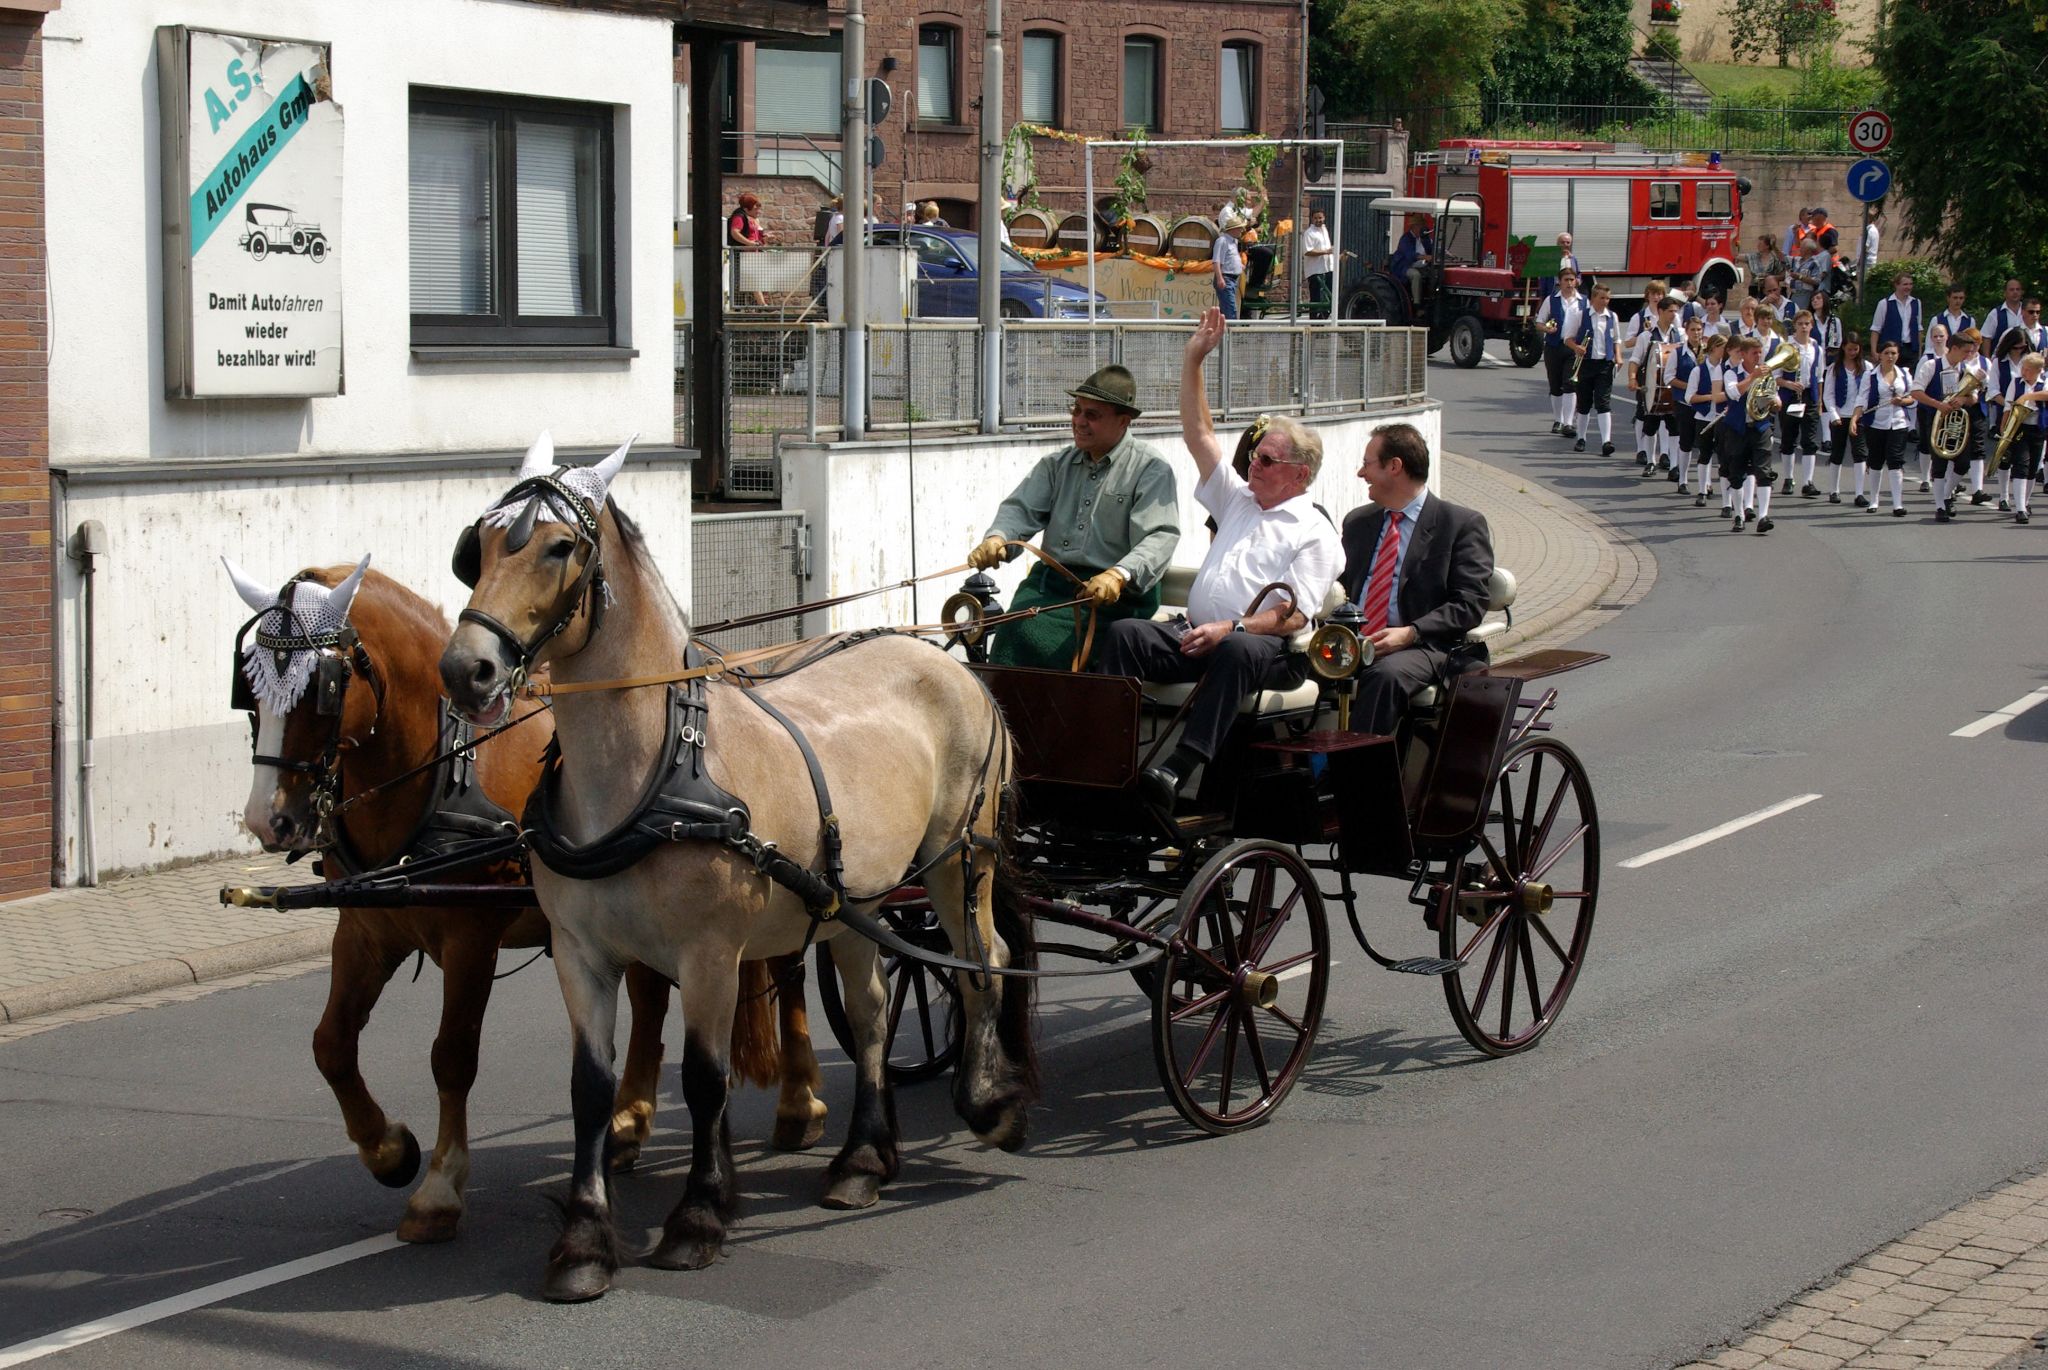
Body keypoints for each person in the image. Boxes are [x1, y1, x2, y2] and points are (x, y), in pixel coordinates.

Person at [1096, 309, 1341, 812]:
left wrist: (1231, 626)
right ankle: (1108, 756)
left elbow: (1292, 615)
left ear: (1299, 474)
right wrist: (1193, 360)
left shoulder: (1315, 531)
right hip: (1197, 632)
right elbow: (1199, 435)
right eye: (1255, 455)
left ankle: (1179, 767)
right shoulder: (1239, 498)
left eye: (1268, 460)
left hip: (1267, 653)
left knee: (1237, 650)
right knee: (1126, 634)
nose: (1254, 462)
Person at [966, 366, 1181, 670]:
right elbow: (1020, 509)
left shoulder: (1151, 469)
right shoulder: (1056, 465)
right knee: (1012, 628)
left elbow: (1160, 536)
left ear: (1123, 421)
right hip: (1050, 587)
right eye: (1076, 410)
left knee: (1029, 634)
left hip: (1113, 601)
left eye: (1092, 415)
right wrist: (998, 537)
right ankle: (1008, 716)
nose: (1079, 421)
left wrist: (1119, 575)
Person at [1334, 425, 1496, 736]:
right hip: (1357, 643)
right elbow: (1341, 590)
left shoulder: (1459, 524)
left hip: (1429, 647)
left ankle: (1353, 775)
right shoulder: (1358, 523)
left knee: (1384, 676)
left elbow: (1470, 604)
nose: (1360, 473)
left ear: (1394, 467)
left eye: (1367, 464)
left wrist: (1410, 633)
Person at [1912, 328, 1991, 521]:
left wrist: (1964, 400)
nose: (1968, 355)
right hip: (1936, 418)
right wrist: (1939, 404)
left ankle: (1947, 495)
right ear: (1954, 348)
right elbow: (1916, 391)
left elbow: (1974, 397)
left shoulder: (1966, 370)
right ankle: (1940, 506)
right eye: (1965, 351)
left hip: (1956, 421)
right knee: (1939, 463)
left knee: (1963, 462)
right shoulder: (1932, 365)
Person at [1714, 334, 1779, 533]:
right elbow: (1734, 394)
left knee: (1763, 471)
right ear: (1743, 354)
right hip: (1737, 428)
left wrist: (1775, 402)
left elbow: (1775, 399)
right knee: (1736, 473)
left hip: (1760, 427)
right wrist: (1752, 377)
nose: (1758, 357)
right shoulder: (1731, 373)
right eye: (1754, 353)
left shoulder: (1767, 374)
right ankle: (1739, 515)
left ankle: (1763, 516)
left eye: (1760, 353)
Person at [1850, 340, 1915, 516]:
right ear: (1879, 355)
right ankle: (1874, 500)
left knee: (1895, 461)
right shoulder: (1870, 375)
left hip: (1899, 422)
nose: (1890, 356)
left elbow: (1913, 398)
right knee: (1875, 461)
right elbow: (1861, 399)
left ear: (1898, 355)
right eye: (1886, 353)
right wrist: (1854, 418)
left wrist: (1902, 401)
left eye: (1893, 353)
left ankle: (1897, 504)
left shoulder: (1904, 374)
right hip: (1877, 423)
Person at [1628, 294, 1684, 476]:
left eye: (1676, 311)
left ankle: (1674, 464)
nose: (1673, 315)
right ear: (1660, 311)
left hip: (1673, 388)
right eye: (1670, 311)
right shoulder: (1646, 336)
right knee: (1651, 426)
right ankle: (1651, 461)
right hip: (1652, 388)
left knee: (1674, 428)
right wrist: (1632, 378)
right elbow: (1635, 360)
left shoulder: (1680, 335)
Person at [1990, 351, 2048, 524]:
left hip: (2038, 428)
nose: (2024, 372)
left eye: (2029, 370)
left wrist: (2027, 396)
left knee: (2032, 468)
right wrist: (2004, 430)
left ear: (2038, 371)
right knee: (2021, 465)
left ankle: (2026, 502)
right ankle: (2020, 508)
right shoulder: (2016, 383)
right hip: (2019, 428)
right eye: (2024, 368)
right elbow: (2008, 406)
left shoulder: (2044, 382)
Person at [1777, 309, 1826, 498]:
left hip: (1809, 395)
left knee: (1810, 440)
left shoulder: (1816, 348)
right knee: (1789, 437)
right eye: (1800, 324)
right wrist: (1788, 383)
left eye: (1807, 324)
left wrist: (1819, 401)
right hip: (1790, 396)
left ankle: (1808, 481)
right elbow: (1775, 376)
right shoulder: (1786, 347)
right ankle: (1788, 478)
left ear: (1811, 326)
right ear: (1795, 326)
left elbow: (1819, 376)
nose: (1804, 327)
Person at [1534, 267, 1588, 436]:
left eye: (1572, 280)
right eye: (1566, 280)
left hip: (1573, 347)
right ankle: (1558, 419)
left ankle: (1568, 422)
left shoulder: (1584, 301)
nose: (1569, 283)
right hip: (1554, 346)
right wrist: (1547, 329)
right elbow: (1539, 322)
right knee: (1555, 385)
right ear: (1560, 282)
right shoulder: (1552, 300)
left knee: (1570, 384)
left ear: (1577, 281)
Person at [1570, 282, 1623, 456]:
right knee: (1584, 403)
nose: (1605, 301)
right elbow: (1567, 338)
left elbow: (1616, 339)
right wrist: (1577, 347)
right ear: (1593, 298)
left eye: (1608, 298)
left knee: (1603, 402)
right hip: (1585, 364)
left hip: (1604, 364)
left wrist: (1618, 356)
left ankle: (1606, 441)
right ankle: (1581, 437)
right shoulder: (1580, 315)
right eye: (1602, 298)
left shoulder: (1611, 317)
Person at [1822, 335, 1871, 503]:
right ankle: (1834, 490)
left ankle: (1859, 493)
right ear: (1843, 347)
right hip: (1840, 416)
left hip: (1858, 417)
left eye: (1855, 349)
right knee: (1837, 453)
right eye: (1849, 349)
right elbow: (1828, 395)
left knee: (1860, 454)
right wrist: (1834, 415)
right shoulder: (1834, 368)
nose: (1852, 352)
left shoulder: (1867, 367)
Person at [1684, 332, 1729, 507]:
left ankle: (1726, 496)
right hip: (1704, 417)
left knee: (1724, 456)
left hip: (1721, 418)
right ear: (1713, 348)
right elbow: (1690, 397)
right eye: (1723, 348)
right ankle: (1702, 490)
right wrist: (1711, 397)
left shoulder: (1727, 370)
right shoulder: (1698, 370)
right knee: (1705, 454)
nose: (1725, 352)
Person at [727, 192, 771, 307]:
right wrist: (750, 243)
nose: (758, 210)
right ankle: (761, 305)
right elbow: (734, 232)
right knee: (752, 279)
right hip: (744, 253)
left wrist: (761, 239)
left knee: (753, 279)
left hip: (749, 253)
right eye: (755, 207)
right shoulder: (739, 217)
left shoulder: (747, 218)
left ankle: (760, 304)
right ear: (747, 208)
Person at [1868, 271, 1923, 361]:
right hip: (1890, 350)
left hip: (1911, 350)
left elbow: (1919, 329)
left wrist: (1919, 352)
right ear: (1896, 285)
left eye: (1910, 284)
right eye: (1905, 284)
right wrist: (1874, 352)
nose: (1908, 287)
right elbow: (1876, 329)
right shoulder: (1884, 303)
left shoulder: (1916, 303)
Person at [1390, 214, 1434, 307]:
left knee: (1434, 275)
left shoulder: (1425, 239)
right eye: (1421, 226)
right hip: (1404, 266)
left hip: (1421, 265)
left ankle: (1430, 300)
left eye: (1423, 227)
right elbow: (1410, 256)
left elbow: (1432, 248)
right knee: (1416, 275)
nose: (1423, 229)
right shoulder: (1406, 239)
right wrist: (1425, 257)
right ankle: (1417, 303)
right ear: (1414, 227)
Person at [1212, 211, 1248, 320]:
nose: (1241, 230)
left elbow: (1231, 257)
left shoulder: (1233, 241)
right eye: (1239, 228)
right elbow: (1216, 261)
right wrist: (1220, 279)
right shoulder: (1222, 241)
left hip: (1232, 279)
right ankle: (1232, 333)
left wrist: (1239, 265)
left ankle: (1223, 334)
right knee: (1230, 310)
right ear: (1233, 229)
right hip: (1226, 278)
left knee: (1226, 309)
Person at [1301, 208, 1336, 316]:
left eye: (1320, 218)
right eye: (1315, 218)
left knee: (1329, 296)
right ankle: (1314, 322)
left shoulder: (1324, 230)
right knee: (1316, 298)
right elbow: (1307, 251)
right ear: (1312, 219)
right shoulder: (1309, 233)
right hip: (1315, 270)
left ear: (1324, 218)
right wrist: (1326, 251)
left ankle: (1323, 318)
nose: (1318, 220)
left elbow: (1327, 249)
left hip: (1327, 268)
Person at [1984, 279, 2028, 352]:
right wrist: (1988, 360)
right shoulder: (1995, 313)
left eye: (2018, 289)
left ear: (2022, 292)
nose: (2015, 292)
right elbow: (1986, 338)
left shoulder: (2029, 311)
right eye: (2011, 290)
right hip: (2002, 358)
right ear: (2005, 293)